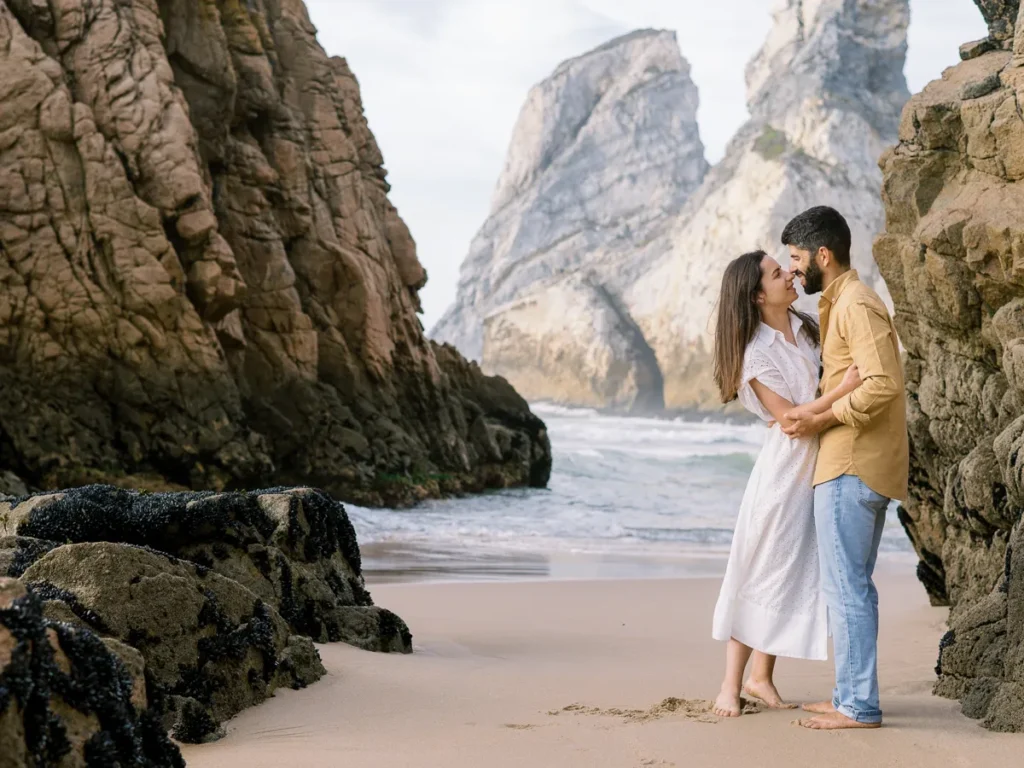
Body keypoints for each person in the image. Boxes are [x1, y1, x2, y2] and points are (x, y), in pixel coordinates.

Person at [710, 249, 861, 718]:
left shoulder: (806, 328)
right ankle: (730, 685)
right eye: (779, 273)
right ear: (758, 295)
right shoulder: (755, 353)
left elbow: (810, 404)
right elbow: (789, 418)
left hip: (820, 461)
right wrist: (845, 389)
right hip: (784, 472)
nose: (791, 273)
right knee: (761, 569)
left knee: (792, 573)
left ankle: (761, 677)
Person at [781, 206, 909, 731]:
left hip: (851, 464)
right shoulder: (842, 303)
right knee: (845, 585)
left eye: (795, 258)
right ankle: (847, 695)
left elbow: (882, 383)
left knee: (848, 588)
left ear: (823, 256)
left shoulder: (856, 303)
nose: (792, 270)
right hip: (847, 463)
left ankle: (857, 706)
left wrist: (820, 419)